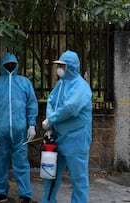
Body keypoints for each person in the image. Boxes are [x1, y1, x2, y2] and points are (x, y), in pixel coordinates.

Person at [0, 52, 38, 203]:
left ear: (17, 65)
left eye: (13, 64)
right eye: (7, 65)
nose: (10, 67)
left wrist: (32, 124)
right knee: (0, 162)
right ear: (2, 66)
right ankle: (0, 193)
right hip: (1, 131)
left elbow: (31, 104)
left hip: (20, 131)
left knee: (21, 163)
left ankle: (25, 194)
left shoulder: (25, 83)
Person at [41, 50, 92, 203]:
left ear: (71, 67)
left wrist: (51, 120)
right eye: (59, 65)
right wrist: (50, 124)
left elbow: (70, 107)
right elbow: (51, 101)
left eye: (62, 65)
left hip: (76, 139)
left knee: (78, 179)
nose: (59, 68)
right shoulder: (61, 84)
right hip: (57, 136)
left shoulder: (81, 87)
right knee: (50, 174)